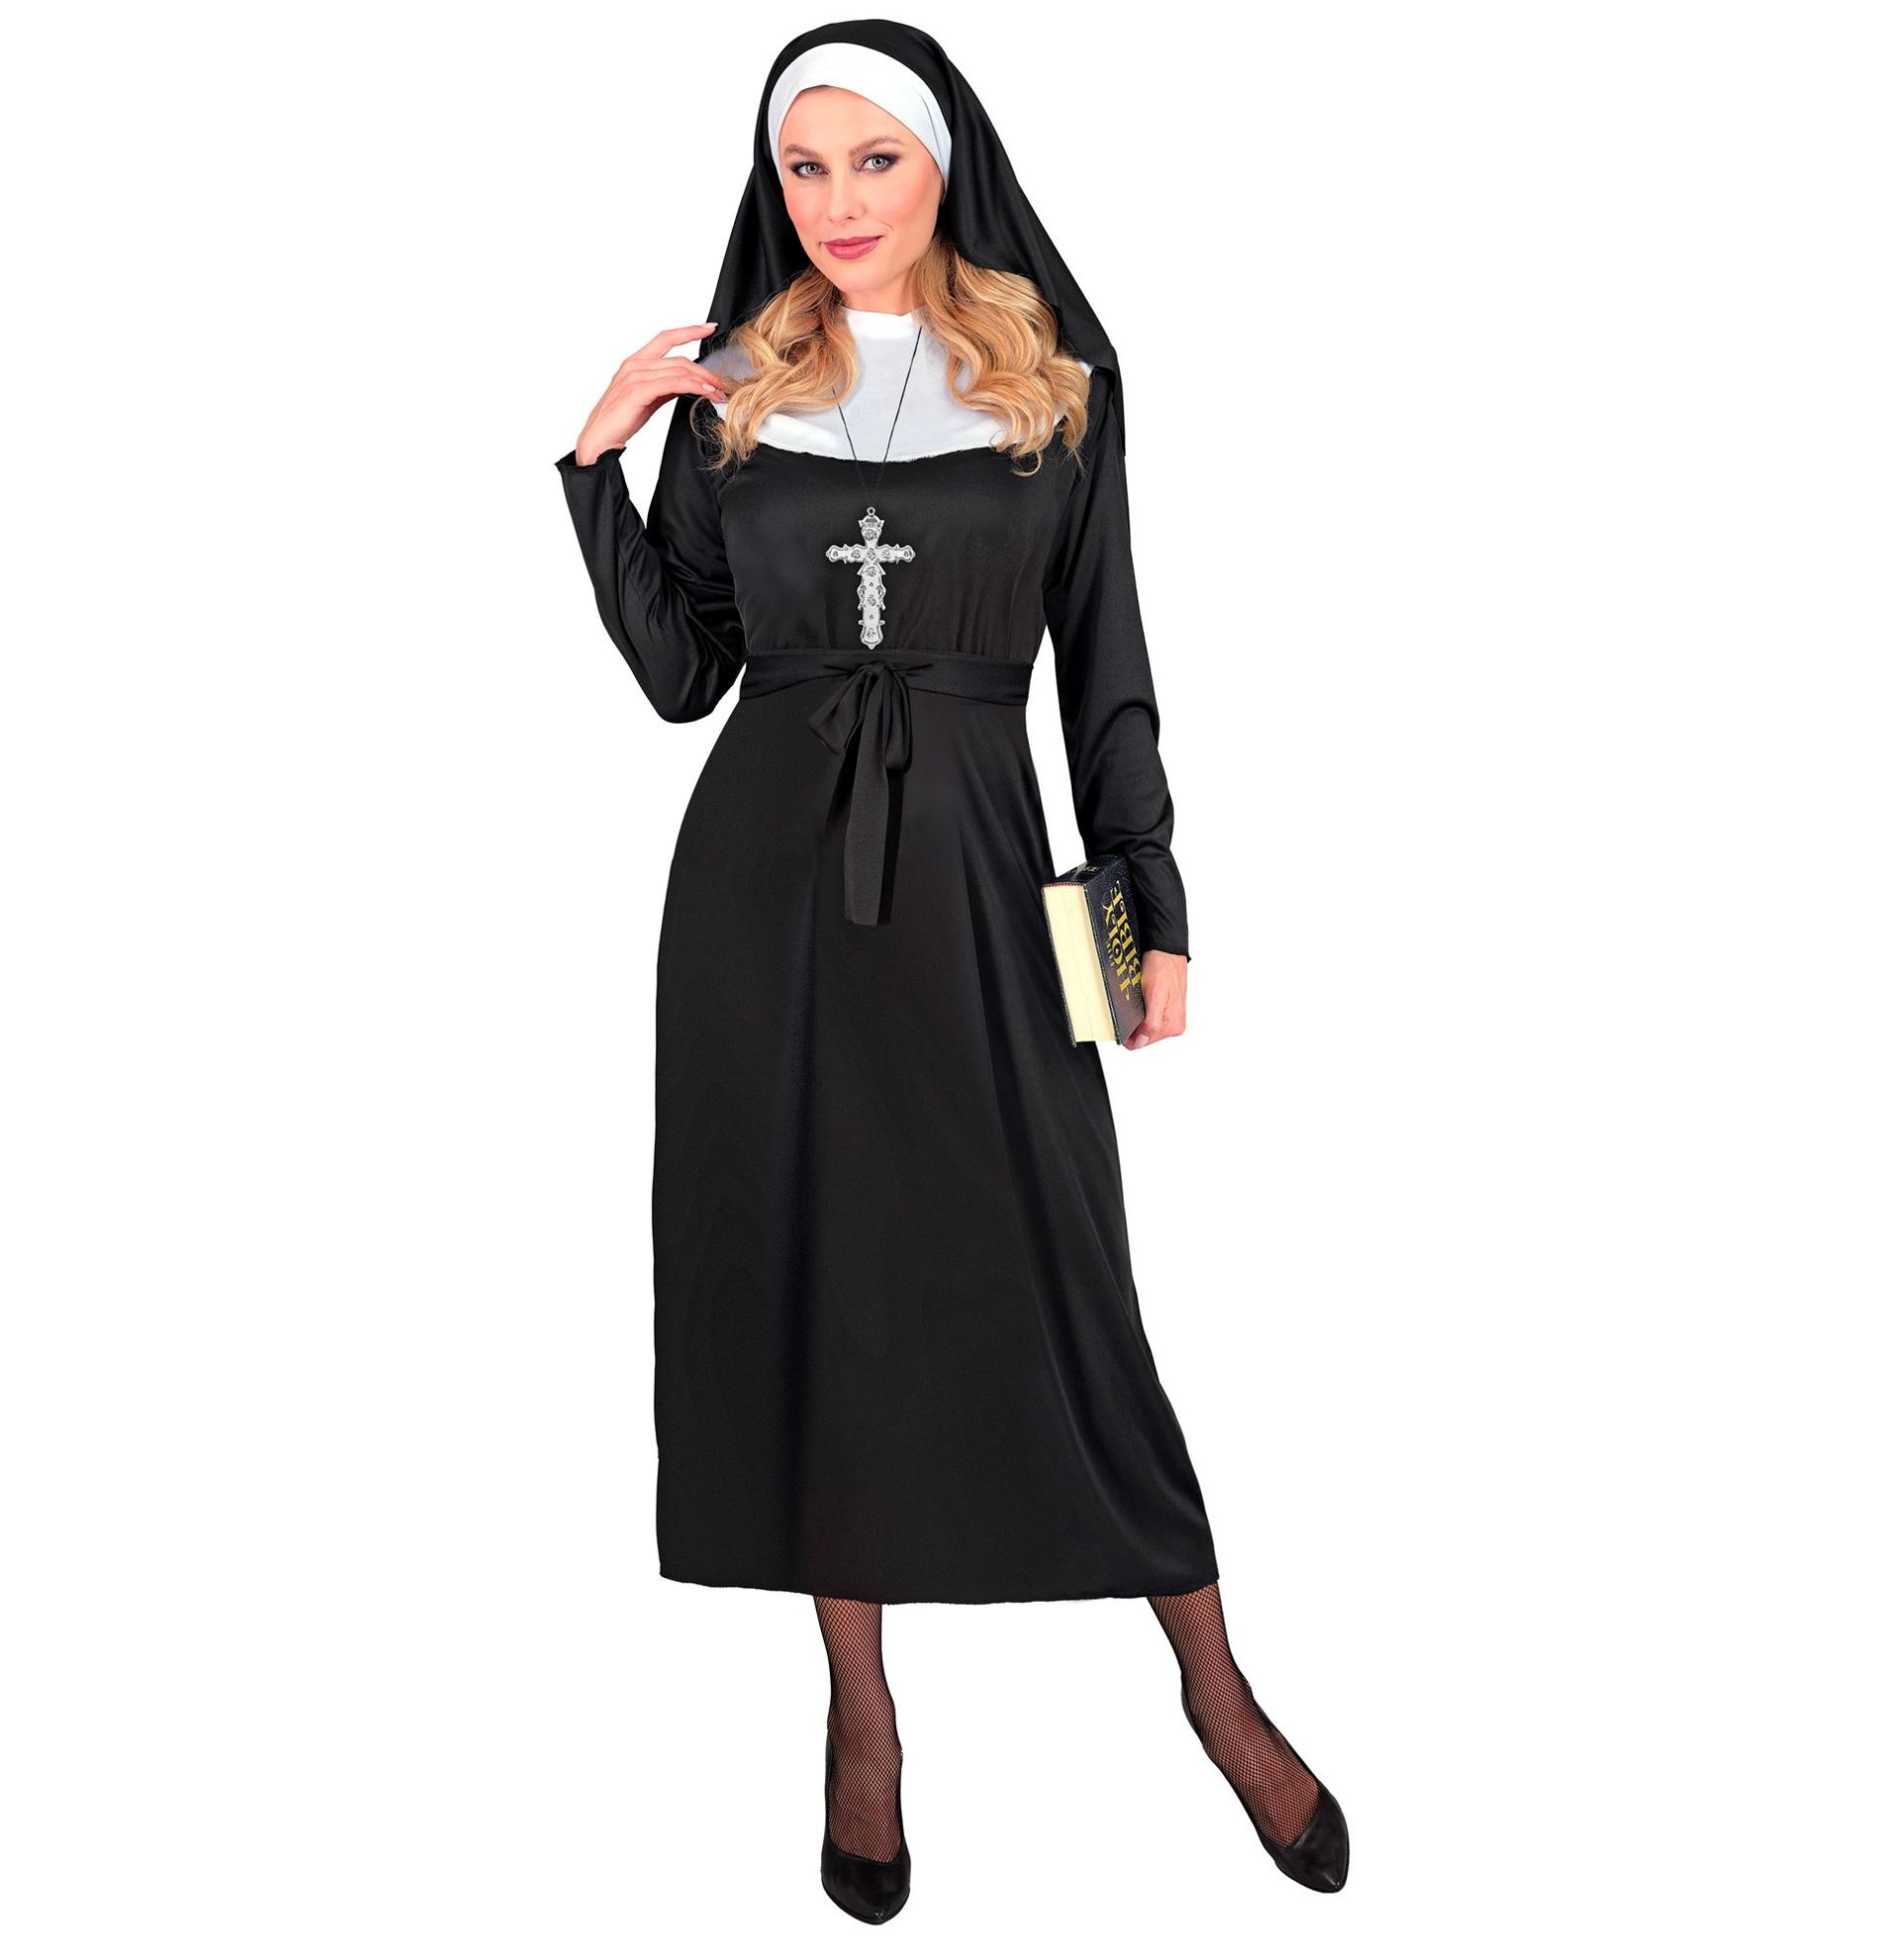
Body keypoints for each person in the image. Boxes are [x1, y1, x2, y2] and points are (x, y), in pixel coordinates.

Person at [553, 18, 1348, 1921]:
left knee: (1067, 1266)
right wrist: (595, 463)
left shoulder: (1056, 378)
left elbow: (1109, 668)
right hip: (763, 904)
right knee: (814, 1283)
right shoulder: (738, 388)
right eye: (803, 166)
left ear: (946, 167)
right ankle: (861, 1716)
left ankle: (1216, 1690)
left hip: (991, 881)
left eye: (875, 160)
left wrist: (1146, 914)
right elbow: (683, 678)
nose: (837, 202)